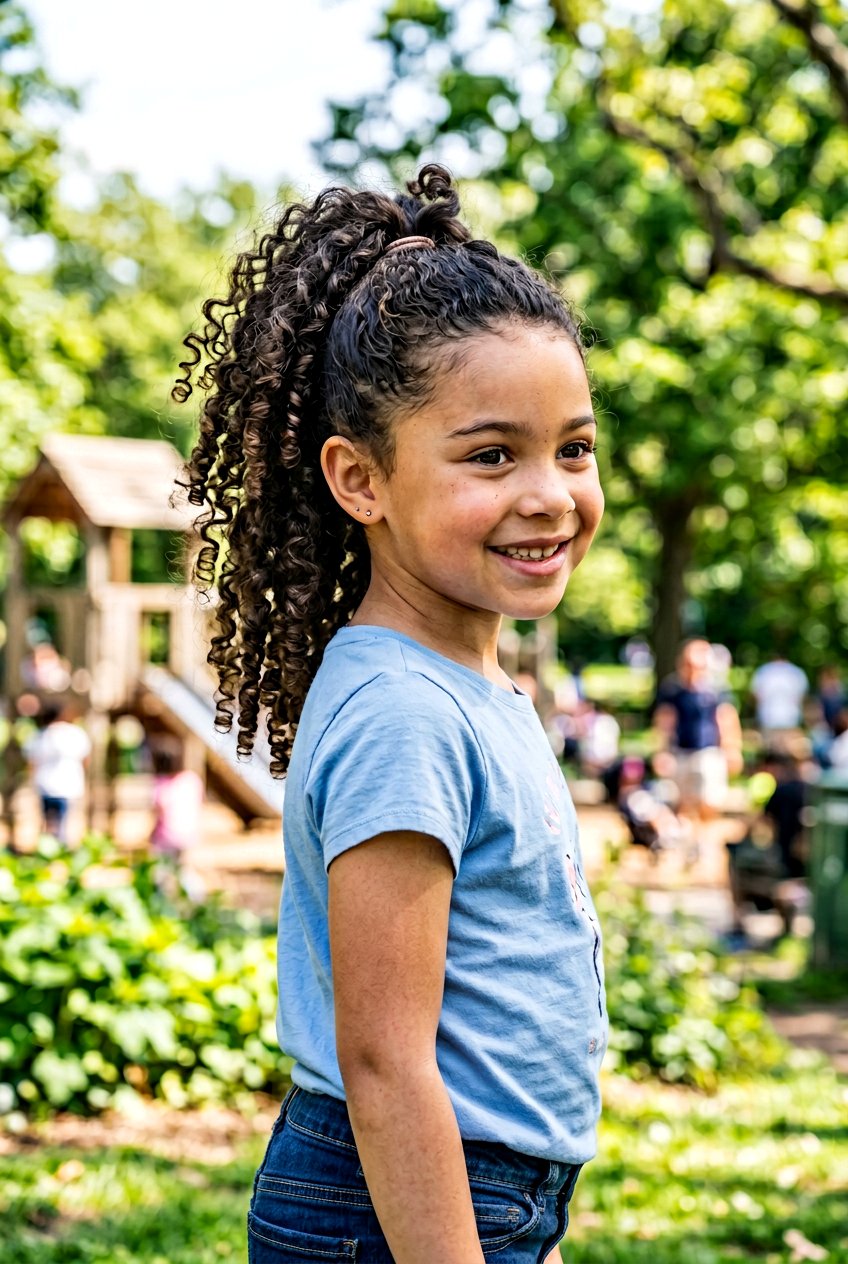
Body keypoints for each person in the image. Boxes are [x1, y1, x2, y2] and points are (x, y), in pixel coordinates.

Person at [175, 165, 606, 1264]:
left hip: (469, 1193)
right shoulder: (401, 714)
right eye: (489, 454)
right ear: (358, 480)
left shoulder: (465, 689)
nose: (549, 491)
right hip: (392, 1207)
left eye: (572, 446)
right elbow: (386, 1065)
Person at [653, 638, 743, 820]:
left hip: (708, 752)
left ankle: (705, 839)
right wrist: (661, 751)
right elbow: (664, 721)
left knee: (709, 801)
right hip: (680, 752)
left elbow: (726, 719)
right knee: (681, 803)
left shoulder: (717, 689)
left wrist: (732, 749)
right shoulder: (672, 689)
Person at [24, 701, 91, 844]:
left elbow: (32, 762)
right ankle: (58, 851)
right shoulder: (75, 733)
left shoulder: (39, 735)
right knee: (62, 824)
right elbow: (85, 759)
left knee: (47, 822)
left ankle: (47, 849)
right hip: (68, 786)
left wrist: (32, 781)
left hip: (45, 785)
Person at [750, 653, 808, 736]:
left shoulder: (763, 671)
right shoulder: (797, 672)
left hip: (768, 716)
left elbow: (756, 695)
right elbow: (801, 697)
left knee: (771, 744)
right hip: (790, 716)